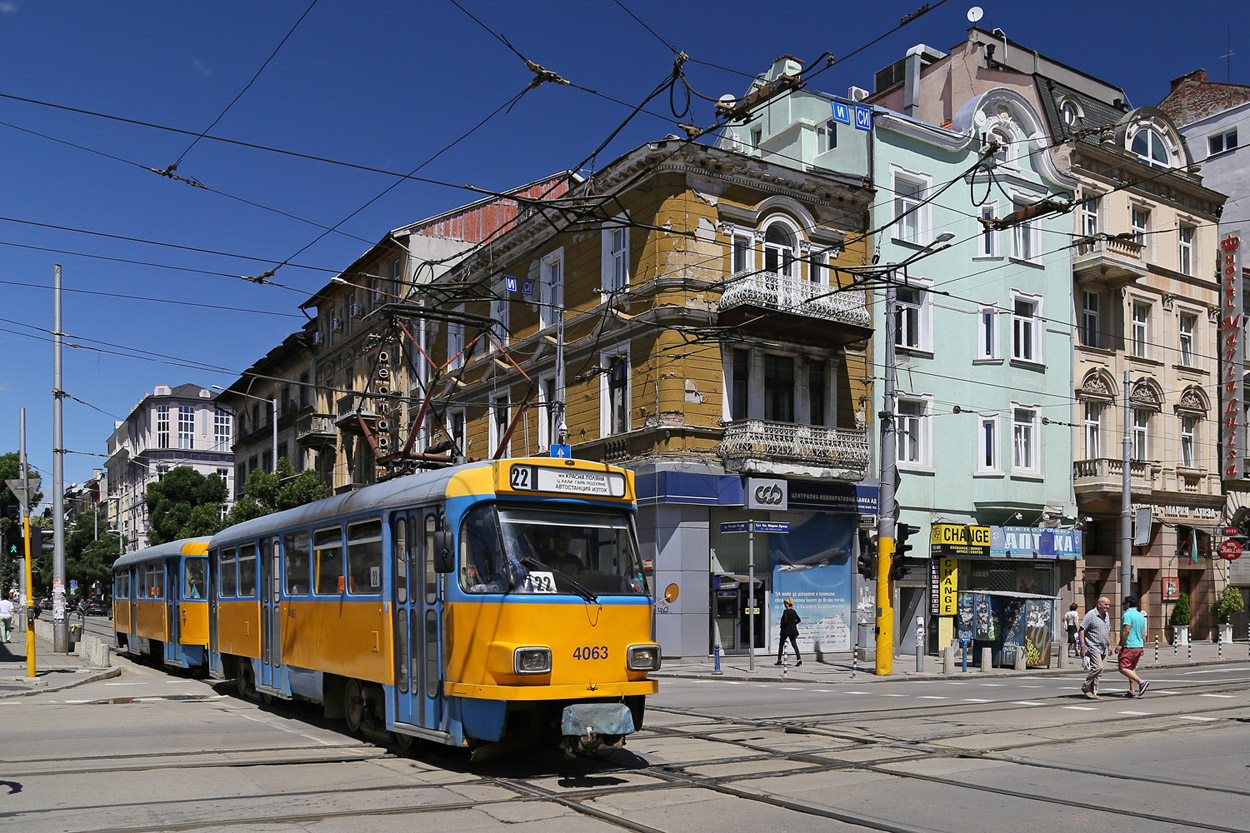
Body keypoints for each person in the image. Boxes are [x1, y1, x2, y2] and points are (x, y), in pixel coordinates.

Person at [1077, 596, 1112, 699]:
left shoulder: (1106, 615)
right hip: (1092, 646)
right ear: (1099, 604)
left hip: (1103, 647)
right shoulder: (1091, 615)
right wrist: (1082, 647)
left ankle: (1093, 692)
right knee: (1098, 667)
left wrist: (1109, 645)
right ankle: (1086, 687)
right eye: (1106, 604)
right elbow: (1081, 630)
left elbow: (1107, 630)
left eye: (1109, 605)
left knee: (1099, 671)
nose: (1108, 607)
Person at [1117, 595, 1149, 697]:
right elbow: (1143, 632)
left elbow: (1126, 630)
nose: (1123, 606)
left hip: (1129, 645)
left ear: (1128, 604)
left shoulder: (1128, 615)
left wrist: (1119, 644)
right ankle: (1132, 690)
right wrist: (1142, 645)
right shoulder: (1140, 615)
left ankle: (1142, 682)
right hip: (1138, 645)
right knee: (1131, 668)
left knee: (1122, 668)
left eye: (1123, 604)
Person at [775, 598, 802, 667]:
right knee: (794, 645)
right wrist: (793, 624)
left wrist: (782, 626)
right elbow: (799, 619)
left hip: (786, 631)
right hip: (793, 631)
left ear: (787, 605)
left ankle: (779, 660)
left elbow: (785, 621)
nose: (784, 605)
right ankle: (799, 659)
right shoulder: (793, 611)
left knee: (781, 644)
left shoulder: (786, 612)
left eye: (785, 604)